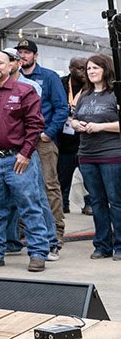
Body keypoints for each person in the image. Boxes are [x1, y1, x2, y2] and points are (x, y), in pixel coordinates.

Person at [0, 51, 50, 273]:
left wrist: (25, 153)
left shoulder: (25, 91)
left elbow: (35, 125)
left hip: (18, 160)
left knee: (30, 208)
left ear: (11, 65)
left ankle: (37, 254)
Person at [0, 48, 60, 261]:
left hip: (26, 148)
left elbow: (33, 119)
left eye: (7, 61)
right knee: (8, 198)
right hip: (5, 151)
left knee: (37, 195)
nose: (0, 66)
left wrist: (31, 145)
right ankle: (12, 241)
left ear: (13, 64)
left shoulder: (30, 86)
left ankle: (51, 243)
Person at [17, 39, 70, 246]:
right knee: (23, 186)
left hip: (42, 140)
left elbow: (62, 107)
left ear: (35, 56)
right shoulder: (15, 79)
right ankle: (23, 230)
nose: (23, 56)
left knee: (49, 185)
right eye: (20, 52)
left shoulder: (48, 77)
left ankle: (56, 231)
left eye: (27, 52)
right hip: (21, 141)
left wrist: (48, 133)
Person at [71, 54, 121, 259]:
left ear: (106, 69)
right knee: (96, 201)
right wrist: (76, 125)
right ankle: (102, 245)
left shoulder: (116, 94)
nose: (90, 72)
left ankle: (119, 245)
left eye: (95, 68)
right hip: (86, 154)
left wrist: (101, 126)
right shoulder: (84, 95)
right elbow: (73, 119)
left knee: (116, 201)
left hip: (111, 155)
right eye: (88, 68)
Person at [59, 57, 91, 214]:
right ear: (71, 68)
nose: (85, 72)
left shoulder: (91, 86)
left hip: (85, 139)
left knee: (88, 177)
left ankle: (88, 204)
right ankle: (63, 203)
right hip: (64, 139)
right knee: (63, 176)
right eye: (81, 68)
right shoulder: (61, 83)